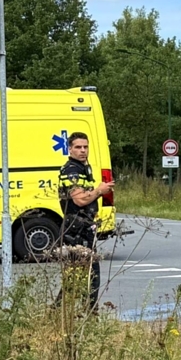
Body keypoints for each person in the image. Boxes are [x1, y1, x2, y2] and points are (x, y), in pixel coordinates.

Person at [56, 131, 114, 312]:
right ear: (70, 149)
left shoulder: (82, 168)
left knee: (77, 274)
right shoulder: (71, 170)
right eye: (78, 147)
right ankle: (89, 312)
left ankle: (60, 311)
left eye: (85, 147)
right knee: (89, 273)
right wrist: (99, 190)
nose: (83, 151)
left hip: (84, 227)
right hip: (76, 230)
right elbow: (80, 200)